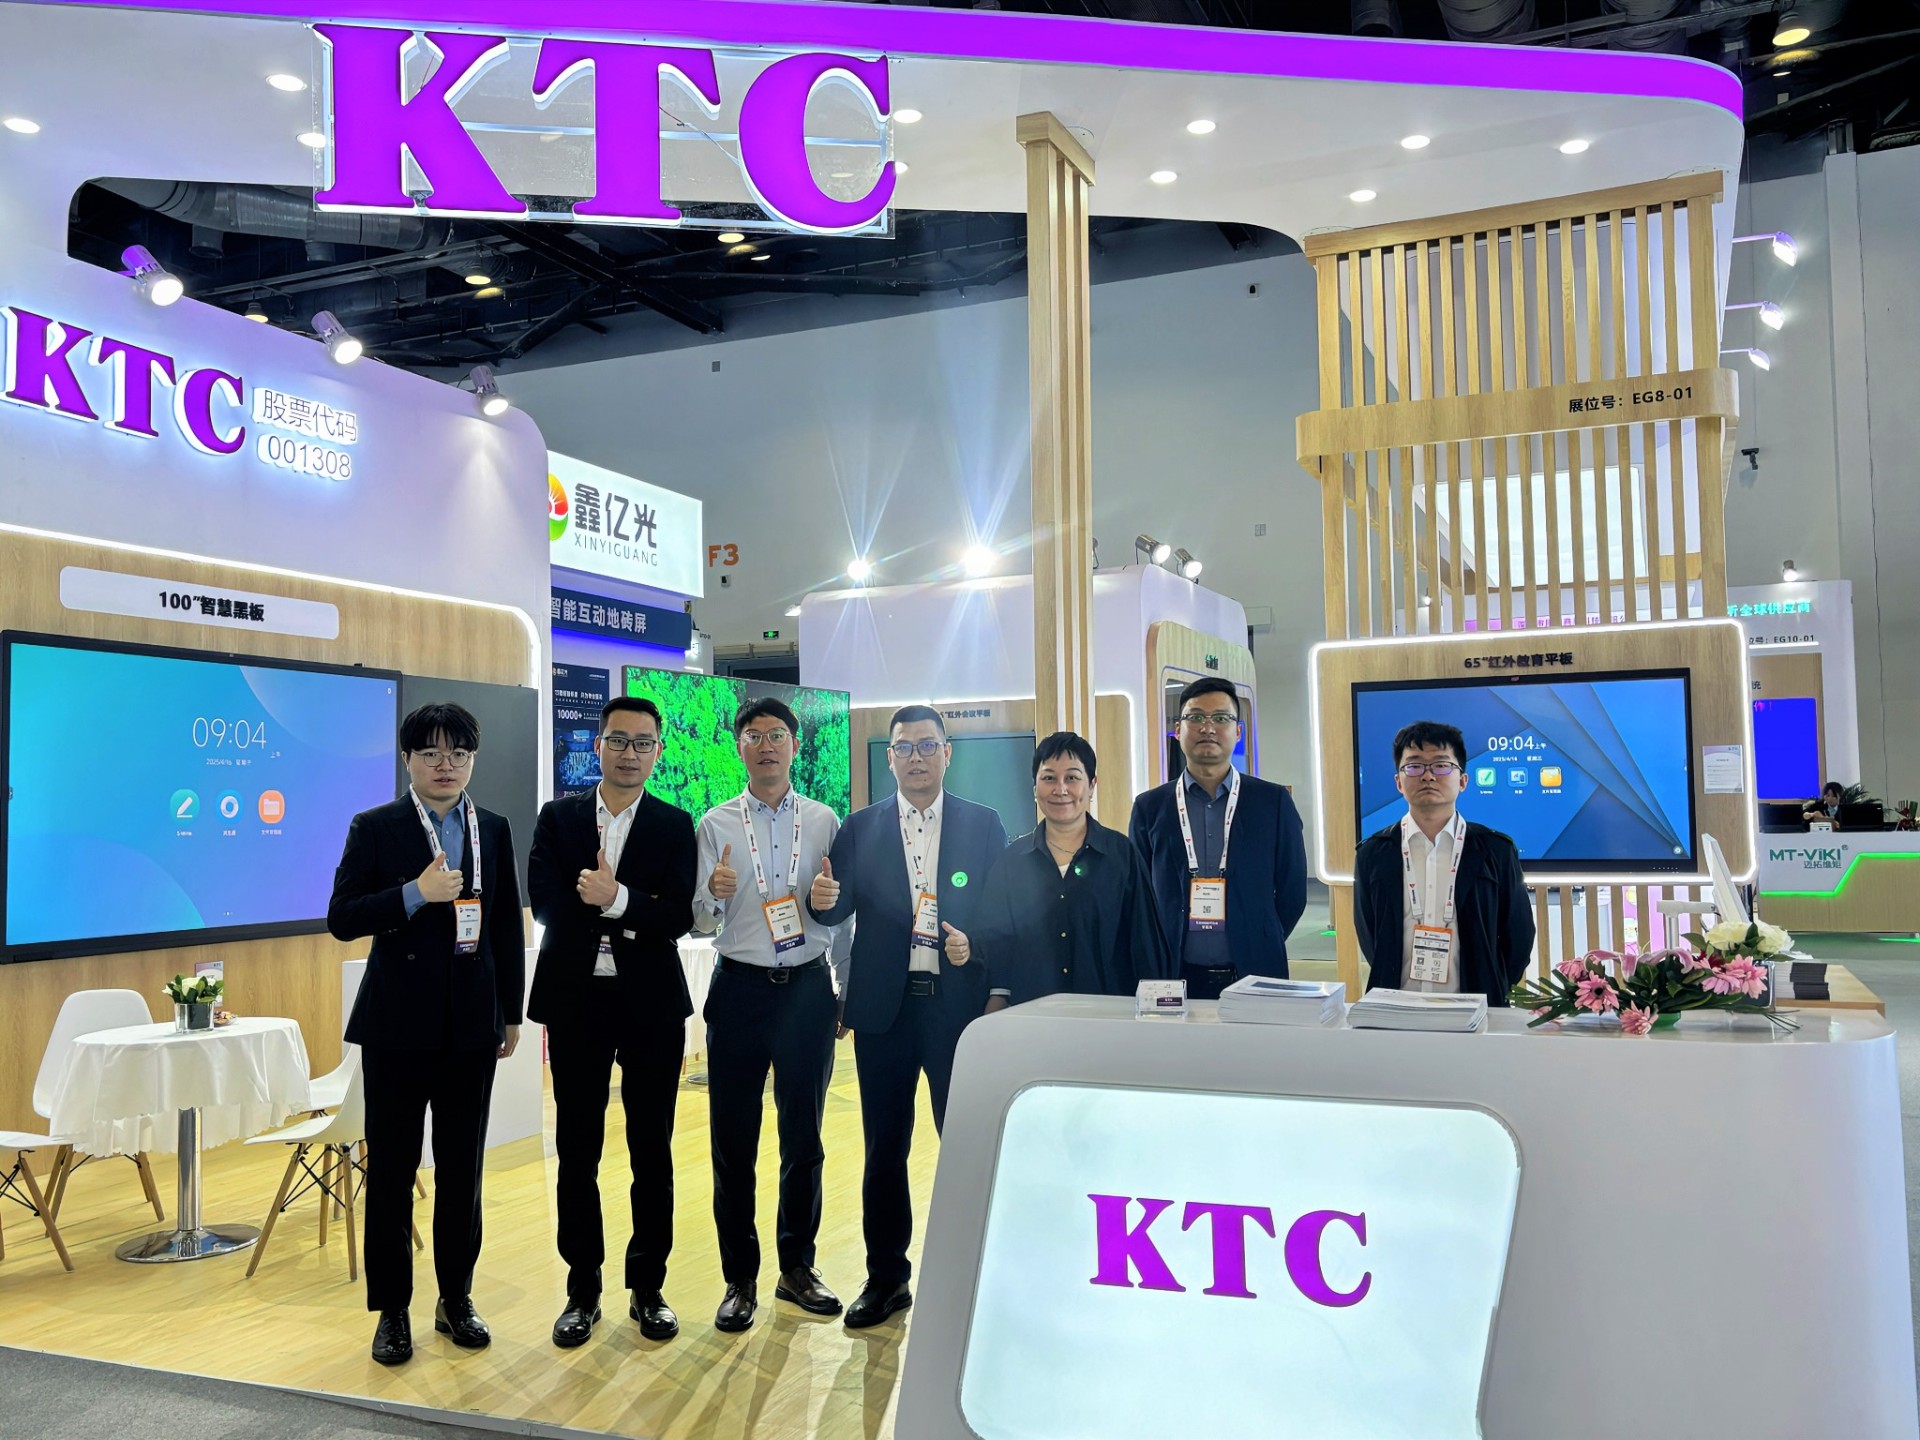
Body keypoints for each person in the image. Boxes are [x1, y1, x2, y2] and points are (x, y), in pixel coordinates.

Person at [327, 702, 523, 1367]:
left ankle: (456, 1298)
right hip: (396, 1026)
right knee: (392, 1170)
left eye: (459, 754)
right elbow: (343, 917)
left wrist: (511, 1012)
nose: (447, 766)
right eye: (433, 753)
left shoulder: (492, 827)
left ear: (472, 759)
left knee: (463, 1169)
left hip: (471, 1025)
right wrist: (414, 893)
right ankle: (392, 1311)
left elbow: (504, 925)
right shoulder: (376, 826)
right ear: (407, 759)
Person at [806, 704, 1009, 1329]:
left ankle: (972, 1275)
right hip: (883, 1014)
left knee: (965, 1143)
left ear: (948, 753)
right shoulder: (861, 827)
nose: (915, 757)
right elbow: (834, 910)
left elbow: (1000, 915)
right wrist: (822, 900)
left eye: (927, 746)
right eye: (904, 747)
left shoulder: (983, 824)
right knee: (884, 1149)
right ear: (889, 758)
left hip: (957, 1012)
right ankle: (886, 1278)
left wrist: (975, 949)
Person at [527, 696, 697, 1348]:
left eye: (642, 743)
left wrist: (614, 898)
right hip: (577, 1002)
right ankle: (583, 1288)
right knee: (578, 1150)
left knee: (652, 1150)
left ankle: (648, 1287)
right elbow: (546, 902)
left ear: (658, 752)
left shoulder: (674, 824)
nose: (630, 753)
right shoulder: (559, 818)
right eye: (618, 740)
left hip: (651, 1006)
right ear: (597, 746)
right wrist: (633, 912)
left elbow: (677, 916)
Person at [691, 697, 845, 1333]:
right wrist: (713, 896)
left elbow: (843, 916)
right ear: (740, 747)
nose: (766, 746)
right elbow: (700, 923)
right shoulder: (716, 824)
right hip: (740, 990)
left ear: (795, 745)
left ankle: (797, 1267)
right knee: (733, 1143)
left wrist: (828, 906)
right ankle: (739, 1279)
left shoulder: (825, 821)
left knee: (803, 1139)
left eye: (777, 735)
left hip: (807, 990)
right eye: (753, 736)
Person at [951, 731, 1170, 1009]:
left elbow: (1144, 940)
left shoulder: (1121, 855)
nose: (1061, 789)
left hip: (1108, 1014)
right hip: (1033, 1015)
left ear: (1092, 785)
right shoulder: (1012, 861)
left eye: (1072, 778)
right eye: (1049, 778)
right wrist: (970, 950)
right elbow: (995, 938)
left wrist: (1155, 1009)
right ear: (1034, 787)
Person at [1128, 679, 1308, 999]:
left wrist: (1261, 937)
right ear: (1178, 730)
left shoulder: (1273, 802)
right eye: (1195, 717)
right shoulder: (1149, 807)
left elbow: (1293, 892)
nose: (1207, 727)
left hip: (1255, 972)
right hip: (1172, 975)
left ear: (1238, 732)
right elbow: (1139, 895)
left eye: (1221, 718)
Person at [1353, 720, 1534, 1002]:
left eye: (1441, 765)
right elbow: (1369, 936)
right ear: (1398, 782)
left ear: (1462, 781)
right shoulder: (1373, 854)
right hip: (1397, 1007)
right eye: (1414, 766)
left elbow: (1518, 937)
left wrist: (1491, 984)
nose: (1428, 776)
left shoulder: (1496, 851)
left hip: (1475, 1007)